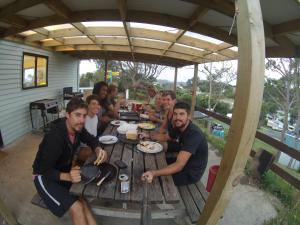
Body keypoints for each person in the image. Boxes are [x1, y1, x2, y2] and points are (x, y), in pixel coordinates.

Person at [32, 97, 107, 225]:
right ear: (67, 115)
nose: (82, 120)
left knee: (82, 199)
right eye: (77, 115)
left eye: (84, 116)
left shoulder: (77, 128)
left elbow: (91, 139)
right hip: (44, 177)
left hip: (63, 171)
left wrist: (98, 149)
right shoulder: (54, 138)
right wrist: (67, 176)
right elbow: (42, 170)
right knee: (76, 207)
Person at [141, 102, 208, 186]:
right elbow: (166, 137)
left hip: (191, 172)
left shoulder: (194, 134)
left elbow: (179, 165)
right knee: (151, 164)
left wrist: (154, 173)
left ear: (189, 116)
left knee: (156, 182)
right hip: (183, 162)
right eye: (175, 114)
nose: (177, 117)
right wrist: (148, 135)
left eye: (181, 114)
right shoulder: (179, 126)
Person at [78, 94, 102, 163]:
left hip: (92, 143)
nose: (96, 106)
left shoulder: (96, 117)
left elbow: (93, 136)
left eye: (98, 104)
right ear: (87, 105)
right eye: (93, 104)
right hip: (81, 148)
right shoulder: (83, 119)